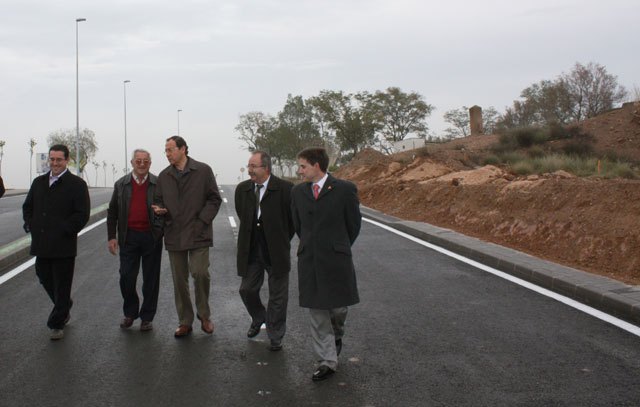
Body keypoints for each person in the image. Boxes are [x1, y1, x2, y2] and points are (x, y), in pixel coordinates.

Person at [291, 147, 362, 381]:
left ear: (316, 166)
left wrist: (338, 245)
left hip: (336, 259)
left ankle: (336, 335)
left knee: (338, 309)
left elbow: (353, 225)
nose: (299, 171)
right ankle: (327, 360)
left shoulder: (344, 190)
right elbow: (298, 224)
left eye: (303, 166)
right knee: (317, 310)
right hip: (309, 259)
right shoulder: (298, 192)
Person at [152, 136, 222, 337]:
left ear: (183, 149)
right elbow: (158, 200)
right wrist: (160, 210)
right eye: (165, 151)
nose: (167, 154)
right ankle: (185, 321)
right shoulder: (164, 176)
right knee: (179, 279)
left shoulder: (203, 170)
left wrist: (202, 221)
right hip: (174, 232)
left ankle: (204, 315)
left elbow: (214, 198)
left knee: (200, 273)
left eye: (170, 150)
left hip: (198, 232)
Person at [22, 144, 90, 340]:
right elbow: (28, 207)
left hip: (63, 245)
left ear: (67, 160)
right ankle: (64, 305)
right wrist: (30, 224)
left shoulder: (77, 184)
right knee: (43, 275)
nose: (55, 163)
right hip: (42, 243)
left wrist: (65, 230)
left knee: (62, 284)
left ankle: (56, 323)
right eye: (52, 159)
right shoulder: (39, 183)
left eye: (59, 159)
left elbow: (82, 214)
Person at [235, 151, 294, 351]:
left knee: (278, 295)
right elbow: (242, 214)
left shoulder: (285, 189)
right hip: (251, 247)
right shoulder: (242, 189)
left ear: (266, 168)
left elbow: (292, 221)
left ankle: (275, 334)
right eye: (249, 166)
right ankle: (259, 317)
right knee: (247, 289)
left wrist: (281, 238)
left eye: (254, 166)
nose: (249, 170)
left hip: (276, 249)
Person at [107, 149, 163, 331]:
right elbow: (112, 212)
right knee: (126, 277)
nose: (141, 164)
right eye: (138, 160)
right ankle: (130, 312)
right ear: (132, 162)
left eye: (145, 161)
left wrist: (161, 226)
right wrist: (111, 237)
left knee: (151, 279)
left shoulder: (158, 184)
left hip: (151, 237)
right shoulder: (121, 184)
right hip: (128, 237)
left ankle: (147, 317)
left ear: (150, 163)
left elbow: (167, 208)